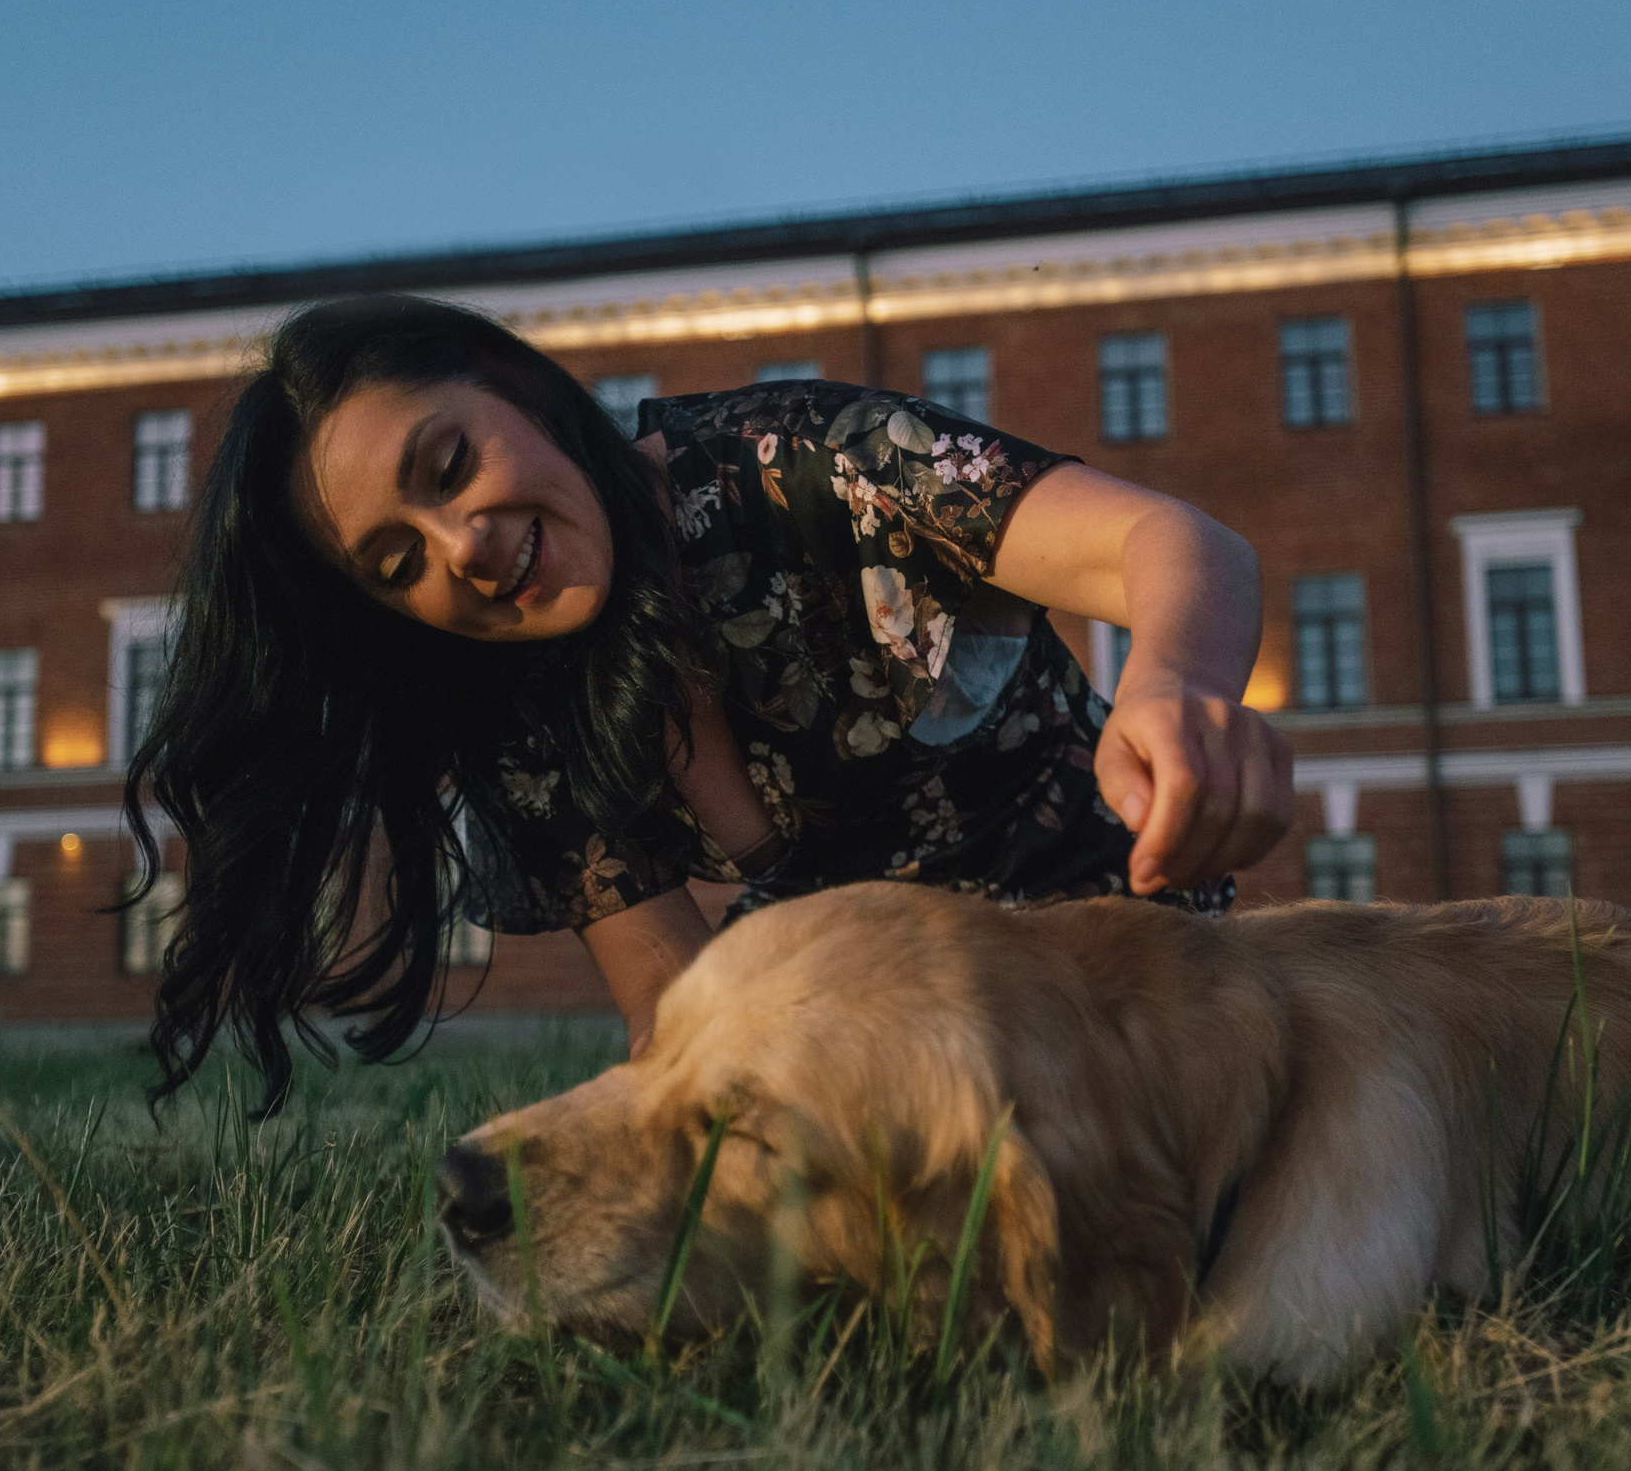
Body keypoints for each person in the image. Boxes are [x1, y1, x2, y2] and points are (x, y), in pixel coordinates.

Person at [126, 294, 1294, 1110]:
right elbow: (675, 1014)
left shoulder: (804, 466)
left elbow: (1171, 543)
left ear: (524, 390)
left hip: (1115, 960)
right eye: (397, 563)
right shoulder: (521, 713)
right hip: (858, 1033)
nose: (462, 546)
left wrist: (1174, 690)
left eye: (447, 467)